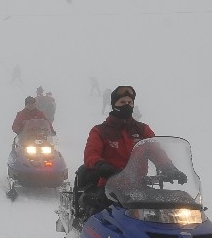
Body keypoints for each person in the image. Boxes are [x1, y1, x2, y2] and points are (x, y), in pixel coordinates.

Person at [79, 85, 184, 216]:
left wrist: (170, 168)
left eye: (130, 102)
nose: (126, 105)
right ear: (114, 105)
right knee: (101, 218)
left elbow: (157, 152)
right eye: (122, 102)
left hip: (138, 186)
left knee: (175, 207)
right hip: (110, 187)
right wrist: (101, 165)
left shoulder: (142, 130)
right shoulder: (100, 131)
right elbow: (91, 154)